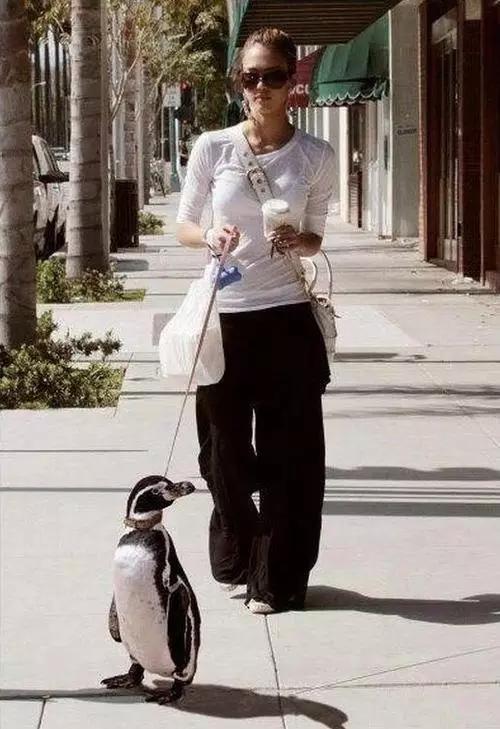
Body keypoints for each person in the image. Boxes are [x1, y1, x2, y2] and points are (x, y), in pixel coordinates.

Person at [176, 27, 335, 615]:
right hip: (226, 319)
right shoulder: (213, 148)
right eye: (249, 76)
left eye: (272, 76)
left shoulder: (315, 155)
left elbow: (317, 236)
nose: (260, 87)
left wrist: (298, 240)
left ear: (293, 81)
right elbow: (184, 223)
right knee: (223, 454)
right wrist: (208, 236)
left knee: (291, 455)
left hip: (287, 319)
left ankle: (279, 578)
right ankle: (242, 551)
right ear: (238, 82)